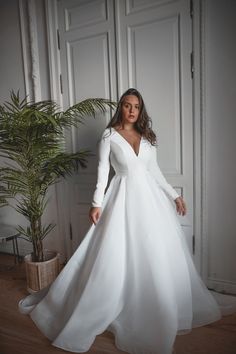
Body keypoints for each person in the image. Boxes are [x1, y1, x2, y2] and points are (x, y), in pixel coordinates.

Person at [19, 88, 232, 354]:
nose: (132, 110)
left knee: (153, 250)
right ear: (120, 107)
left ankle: (157, 302)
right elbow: (102, 172)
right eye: (127, 105)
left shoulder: (147, 137)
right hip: (121, 197)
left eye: (136, 106)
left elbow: (154, 171)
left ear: (141, 111)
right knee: (117, 251)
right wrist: (96, 203)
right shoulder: (109, 135)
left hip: (150, 200)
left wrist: (174, 196)